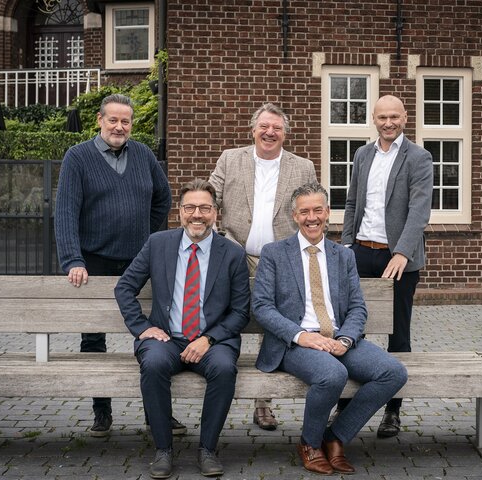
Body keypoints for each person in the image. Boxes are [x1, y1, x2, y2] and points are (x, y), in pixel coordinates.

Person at [54, 93, 187, 437]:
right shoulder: (78, 157)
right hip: (94, 261)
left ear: (131, 124)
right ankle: (102, 413)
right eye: (112, 120)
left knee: (155, 337)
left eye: (125, 121)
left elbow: (163, 198)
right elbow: (65, 211)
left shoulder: (143, 155)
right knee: (93, 339)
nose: (119, 126)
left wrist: (147, 235)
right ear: (100, 120)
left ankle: (156, 414)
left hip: (139, 261)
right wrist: (73, 259)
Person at [252, 183, 408, 475]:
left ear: (327, 213)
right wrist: (302, 336)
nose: (311, 217)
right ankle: (310, 444)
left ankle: (335, 437)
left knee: (393, 372)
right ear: (295, 216)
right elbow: (261, 306)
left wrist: (346, 339)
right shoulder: (274, 253)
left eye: (317, 210)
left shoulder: (343, 255)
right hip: (294, 344)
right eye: (304, 212)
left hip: (338, 339)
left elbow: (358, 307)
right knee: (332, 374)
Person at [115, 179, 250, 478]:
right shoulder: (158, 244)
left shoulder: (232, 253)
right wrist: (142, 328)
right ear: (179, 211)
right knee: (152, 364)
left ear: (215, 212)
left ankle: (208, 449)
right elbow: (124, 287)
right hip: (167, 339)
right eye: (190, 208)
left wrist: (209, 339)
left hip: (212, 341)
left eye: (204, 208)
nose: (197, 214)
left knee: (224, 369)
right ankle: (163, 450)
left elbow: (241, 311)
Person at [209, 102, 317, 431]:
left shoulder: (303, 167)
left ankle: (263, 402)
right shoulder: (230, 158)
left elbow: (313, 208)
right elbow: (210, 197)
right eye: (264, 127)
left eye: (277, 128)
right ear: (253, 129)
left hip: (280, 260)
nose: (270, 132)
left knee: (273, 326)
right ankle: (219, 388)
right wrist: (212, 234)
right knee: (228, 319)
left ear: (285, 133)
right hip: (235, 254)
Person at [337, 94, 433, 438]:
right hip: (361, 252)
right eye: (382, 117)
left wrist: (402, 252)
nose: (388, 123)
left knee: (398, 333)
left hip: (399, 259)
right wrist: (346, 246)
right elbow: (351, 202)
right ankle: (345, 404)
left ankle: (393, 410)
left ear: (405, 118)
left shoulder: (419, 157)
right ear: (374, 120)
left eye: (394, 116)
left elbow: (419, 209)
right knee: (351, 331)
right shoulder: (362, 155)